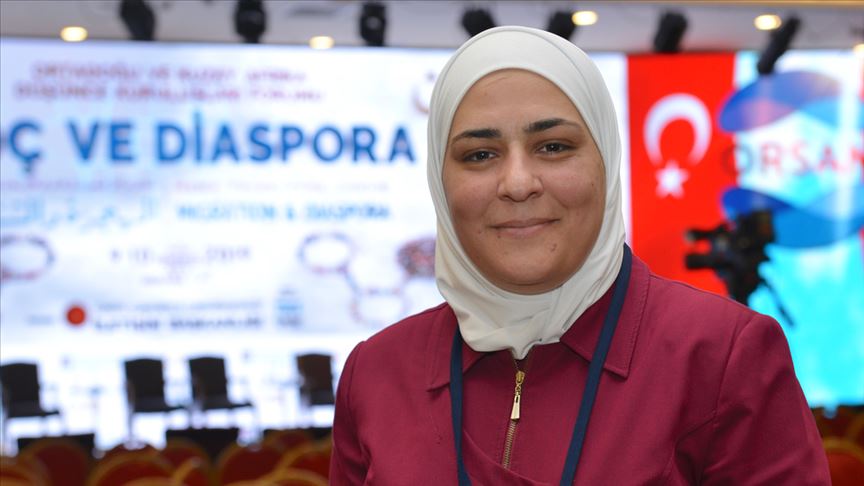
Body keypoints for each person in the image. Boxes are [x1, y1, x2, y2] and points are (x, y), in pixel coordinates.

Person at [329, 25, 830, 485]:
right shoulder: (376, 373)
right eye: (479, 155)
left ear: (606, 161)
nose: (518, 183)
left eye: (553, 147)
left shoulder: (721, 355)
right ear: (441, 182)